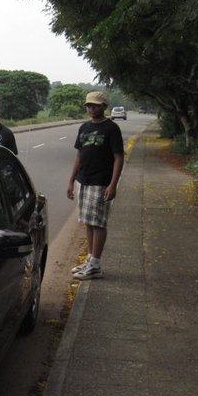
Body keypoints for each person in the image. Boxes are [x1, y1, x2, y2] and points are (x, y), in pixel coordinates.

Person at [66, 90, 125, 280]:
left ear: (104, 106)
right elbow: (79, 154)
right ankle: (90, 259)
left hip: (101, 182)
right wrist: (71, 180)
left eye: (95, 105)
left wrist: (113, 184)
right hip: (83, 180)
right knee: (88, 221)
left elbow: (118, 157)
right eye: (89, 105)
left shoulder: (111, 128)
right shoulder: (84, 127)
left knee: (98, 222)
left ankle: (96, 265)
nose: (91, 108)